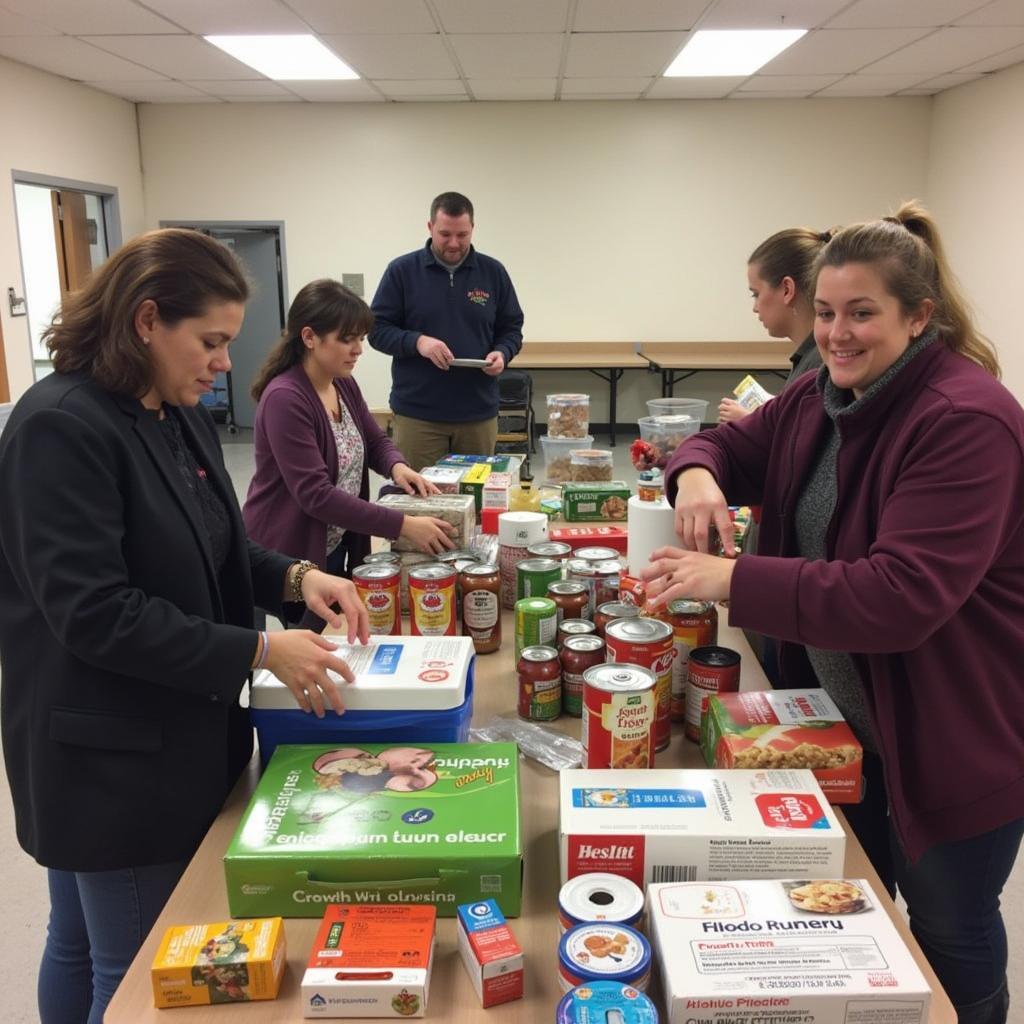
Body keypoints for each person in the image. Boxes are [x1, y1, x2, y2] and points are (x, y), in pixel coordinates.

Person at [642, 203, 1024, 1024]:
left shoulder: (965, 422)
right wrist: (698, 475)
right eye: (824, 313)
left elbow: (897, 597)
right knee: (861, 908)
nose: (837, 334)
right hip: (846, 718)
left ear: (920, 316)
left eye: (862, 314)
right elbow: (723, 445)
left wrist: (732, 579)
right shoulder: (821, 392)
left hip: (949, 735)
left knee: (949, 932)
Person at [0, 229, 370, 1024]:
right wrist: (264, 648)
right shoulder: (60, 427)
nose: (223, 363)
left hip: (160, 731)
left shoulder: (173, 412)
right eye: (209, 341)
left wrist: (301, 576)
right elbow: (96, 614)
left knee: (78, 943)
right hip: (108, 758)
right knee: (130, 972)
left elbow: (221, 544)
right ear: (144, 322)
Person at [243, 279, 456, 592]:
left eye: (361, 338)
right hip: (291, 548)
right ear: (309, 337)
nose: (358, 350)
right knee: (320, 633)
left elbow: (374, 440)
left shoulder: (341, 382)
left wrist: (399, 467)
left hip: (337, 538)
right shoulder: (285, 399)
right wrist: (404, 526)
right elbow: (316, 495)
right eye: (346, 340)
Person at [368, 191, 525, 469]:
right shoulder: (402, 271)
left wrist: (503, 352)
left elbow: (512, 328)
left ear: (473, 229)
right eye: (445, 234)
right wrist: (418, 342)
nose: (454, 243)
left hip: (478, 414)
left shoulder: (493, 272)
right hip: (419, 415)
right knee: (417, 499)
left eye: (462, 235)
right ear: (430, 228)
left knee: (477, 498)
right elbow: (377, 330)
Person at [718, 226, 830, 424]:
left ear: (787, 289)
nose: (755, 307)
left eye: (756, 294)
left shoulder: (819, 364)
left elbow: (802, 448)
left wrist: (750, 423)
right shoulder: (811, 356)